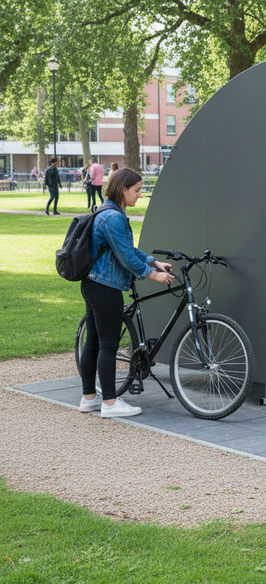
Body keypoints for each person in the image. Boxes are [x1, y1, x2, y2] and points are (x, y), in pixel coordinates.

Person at [78, 167, 174, 417]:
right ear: (123, 190)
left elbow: (127, 249)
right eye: (137, 190)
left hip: (93, 284)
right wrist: (153, 274)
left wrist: (154, 262)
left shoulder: (107, 212)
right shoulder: (114, 218)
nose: (140, 195)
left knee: (93, 343)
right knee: (108, 346)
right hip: (105, 287)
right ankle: (110, 403)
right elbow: (126, 258)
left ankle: (89, 398)